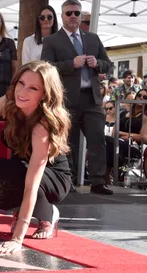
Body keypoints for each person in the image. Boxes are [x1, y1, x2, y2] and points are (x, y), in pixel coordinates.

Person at [0, 61, 72, 254]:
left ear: (44, 94)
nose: (22, 91)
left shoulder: (42, 126)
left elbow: (32, 184)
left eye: (33, 88)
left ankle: (47, 212)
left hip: (53, 177)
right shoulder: (10, 102)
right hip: (23, 169)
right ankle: (24, 209)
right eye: (21, 83)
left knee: (25, 178)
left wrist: (17, 238)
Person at [41, 0, 113, 195]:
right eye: (69, 13)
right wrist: (71, 63)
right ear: (62, 16)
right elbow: (46, 67)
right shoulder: (52, 40)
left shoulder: (93, 39)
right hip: (66, 99)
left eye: (76, 13)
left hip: (92, 98)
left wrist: (97, 63)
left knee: (97, 140)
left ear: (81, 16)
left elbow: (109, 64)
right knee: (67, 142)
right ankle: (68, 180)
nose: (73, 16)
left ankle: (98, 181)